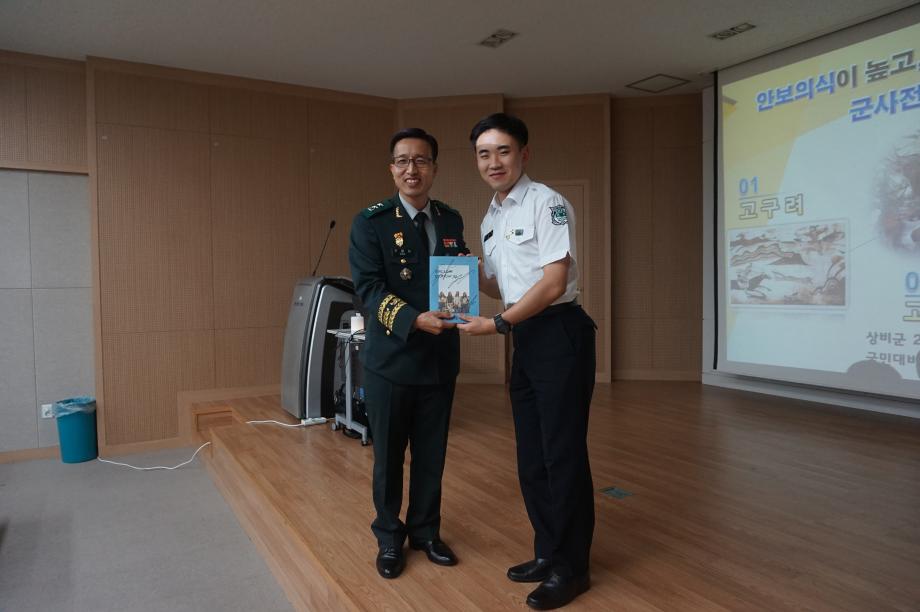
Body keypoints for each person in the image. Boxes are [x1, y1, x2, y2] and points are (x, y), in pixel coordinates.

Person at [458, 113, 596, 610]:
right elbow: (505, 285)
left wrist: (498, 324)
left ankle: (572, 569)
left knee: (562, 454)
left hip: (559, 332)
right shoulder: (490, 218)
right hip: (527, 335)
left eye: (503, 151)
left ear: (524, 154)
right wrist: (468, 273)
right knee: (532, 456)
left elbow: (553, 283)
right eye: (484, 153)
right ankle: (548, 552)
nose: (493, 162)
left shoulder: (547, 203)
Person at [348, 127, 470, 579]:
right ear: (392, 169)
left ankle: (425, 531)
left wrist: (461, 310)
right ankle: (388, 536)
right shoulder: (371, 223)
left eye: (421, 160)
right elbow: (368, 288)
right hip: (392, 361)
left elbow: (456, 277)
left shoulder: (451, 219)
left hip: (439, 360)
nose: (411, 169)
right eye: (403, 161)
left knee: (432, 455)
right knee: (389, 457)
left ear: (434, 167)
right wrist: (414, 319)